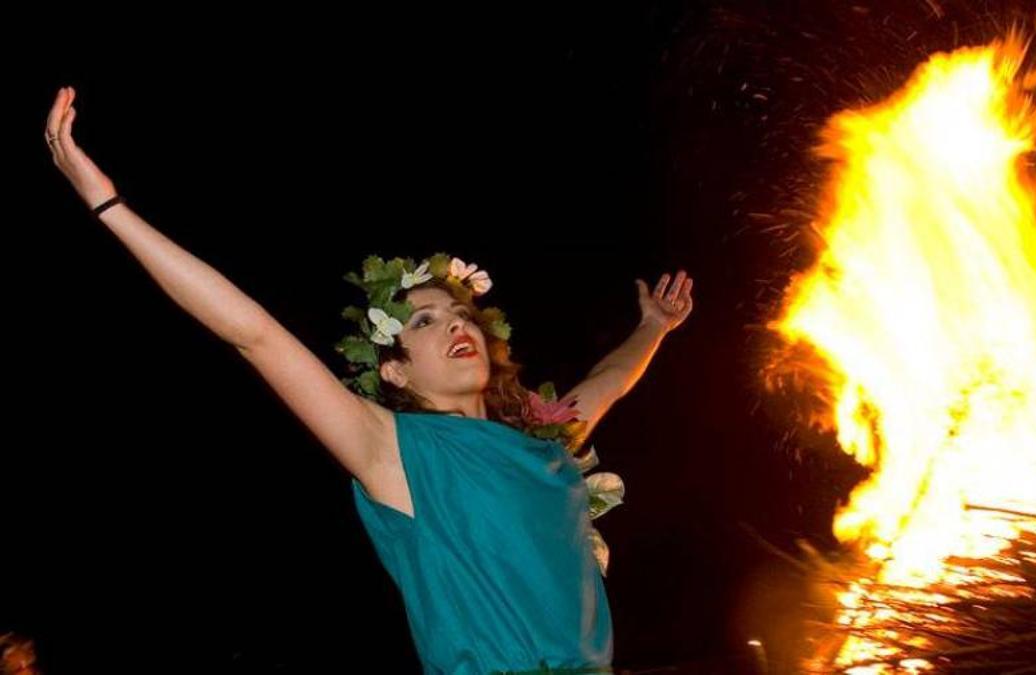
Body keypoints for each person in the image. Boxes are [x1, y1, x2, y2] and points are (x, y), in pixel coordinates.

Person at [44, 85, 695, 674]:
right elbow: (255, 333)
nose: (454, 324)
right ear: (394, 366)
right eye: (426, 320)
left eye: (461, 313)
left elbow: (608, 378)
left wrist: (655, 326)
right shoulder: (397, 451)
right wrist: (109, 205)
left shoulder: (545, 442)